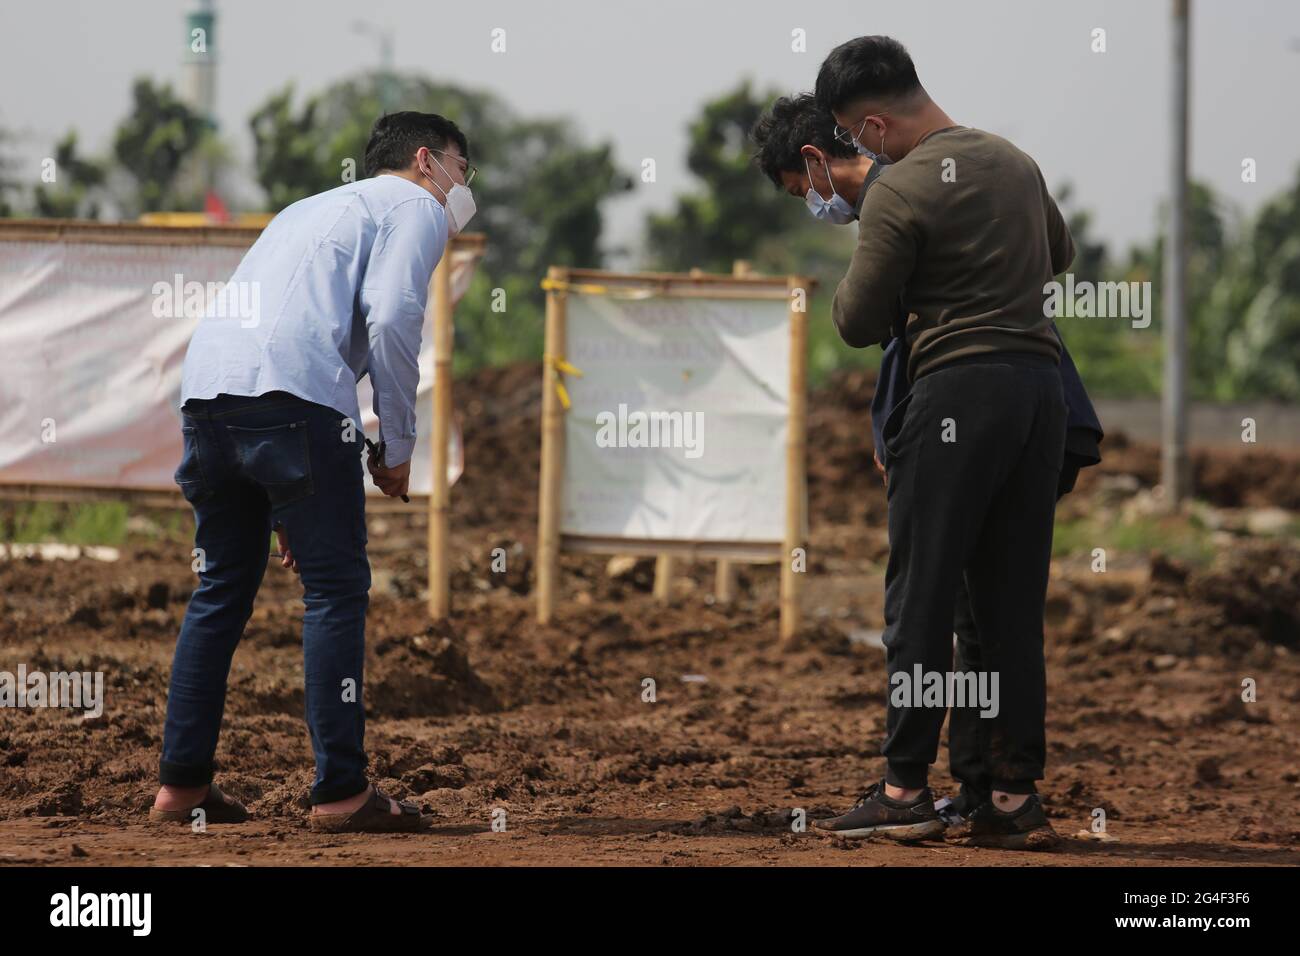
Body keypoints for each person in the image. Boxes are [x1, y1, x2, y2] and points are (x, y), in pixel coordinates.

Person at [751, 93, 1103, 839]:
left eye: (800, 190)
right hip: (1040, 398)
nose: (812, 203)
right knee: (1001, 611)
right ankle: (1005, 797)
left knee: (921, 602)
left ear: (819, 157)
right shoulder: (1006, 162)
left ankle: (904, 790)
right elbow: (1059, 256)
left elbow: (858, 321)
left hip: (958, 401)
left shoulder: (896, 189)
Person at [151, 111, 476, 833]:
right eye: (462, 166)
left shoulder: (309, 208)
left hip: (207, 397)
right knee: (335, 592)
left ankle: (181, 785)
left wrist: (289, 498)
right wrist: (397, 445)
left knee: (221, 590)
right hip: (295, 403)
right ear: (427, 160)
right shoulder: (417, 206)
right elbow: (392, 317)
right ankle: (341, 792)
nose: (463, 185)